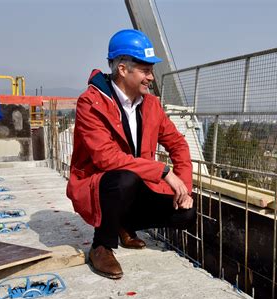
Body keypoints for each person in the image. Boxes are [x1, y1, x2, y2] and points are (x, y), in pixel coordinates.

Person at [66, 29, 195, 279]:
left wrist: (184, 189)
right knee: (125, 177)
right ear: (123, 69)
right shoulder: (90, 103)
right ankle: (101, 245)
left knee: (186, 213)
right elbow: (107, 158)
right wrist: (164, 172)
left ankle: (126, 225)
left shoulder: (152, 105)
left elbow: (178, 145)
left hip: (136, 186)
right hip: (102, 185)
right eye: (145, 70)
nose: (151, 77)